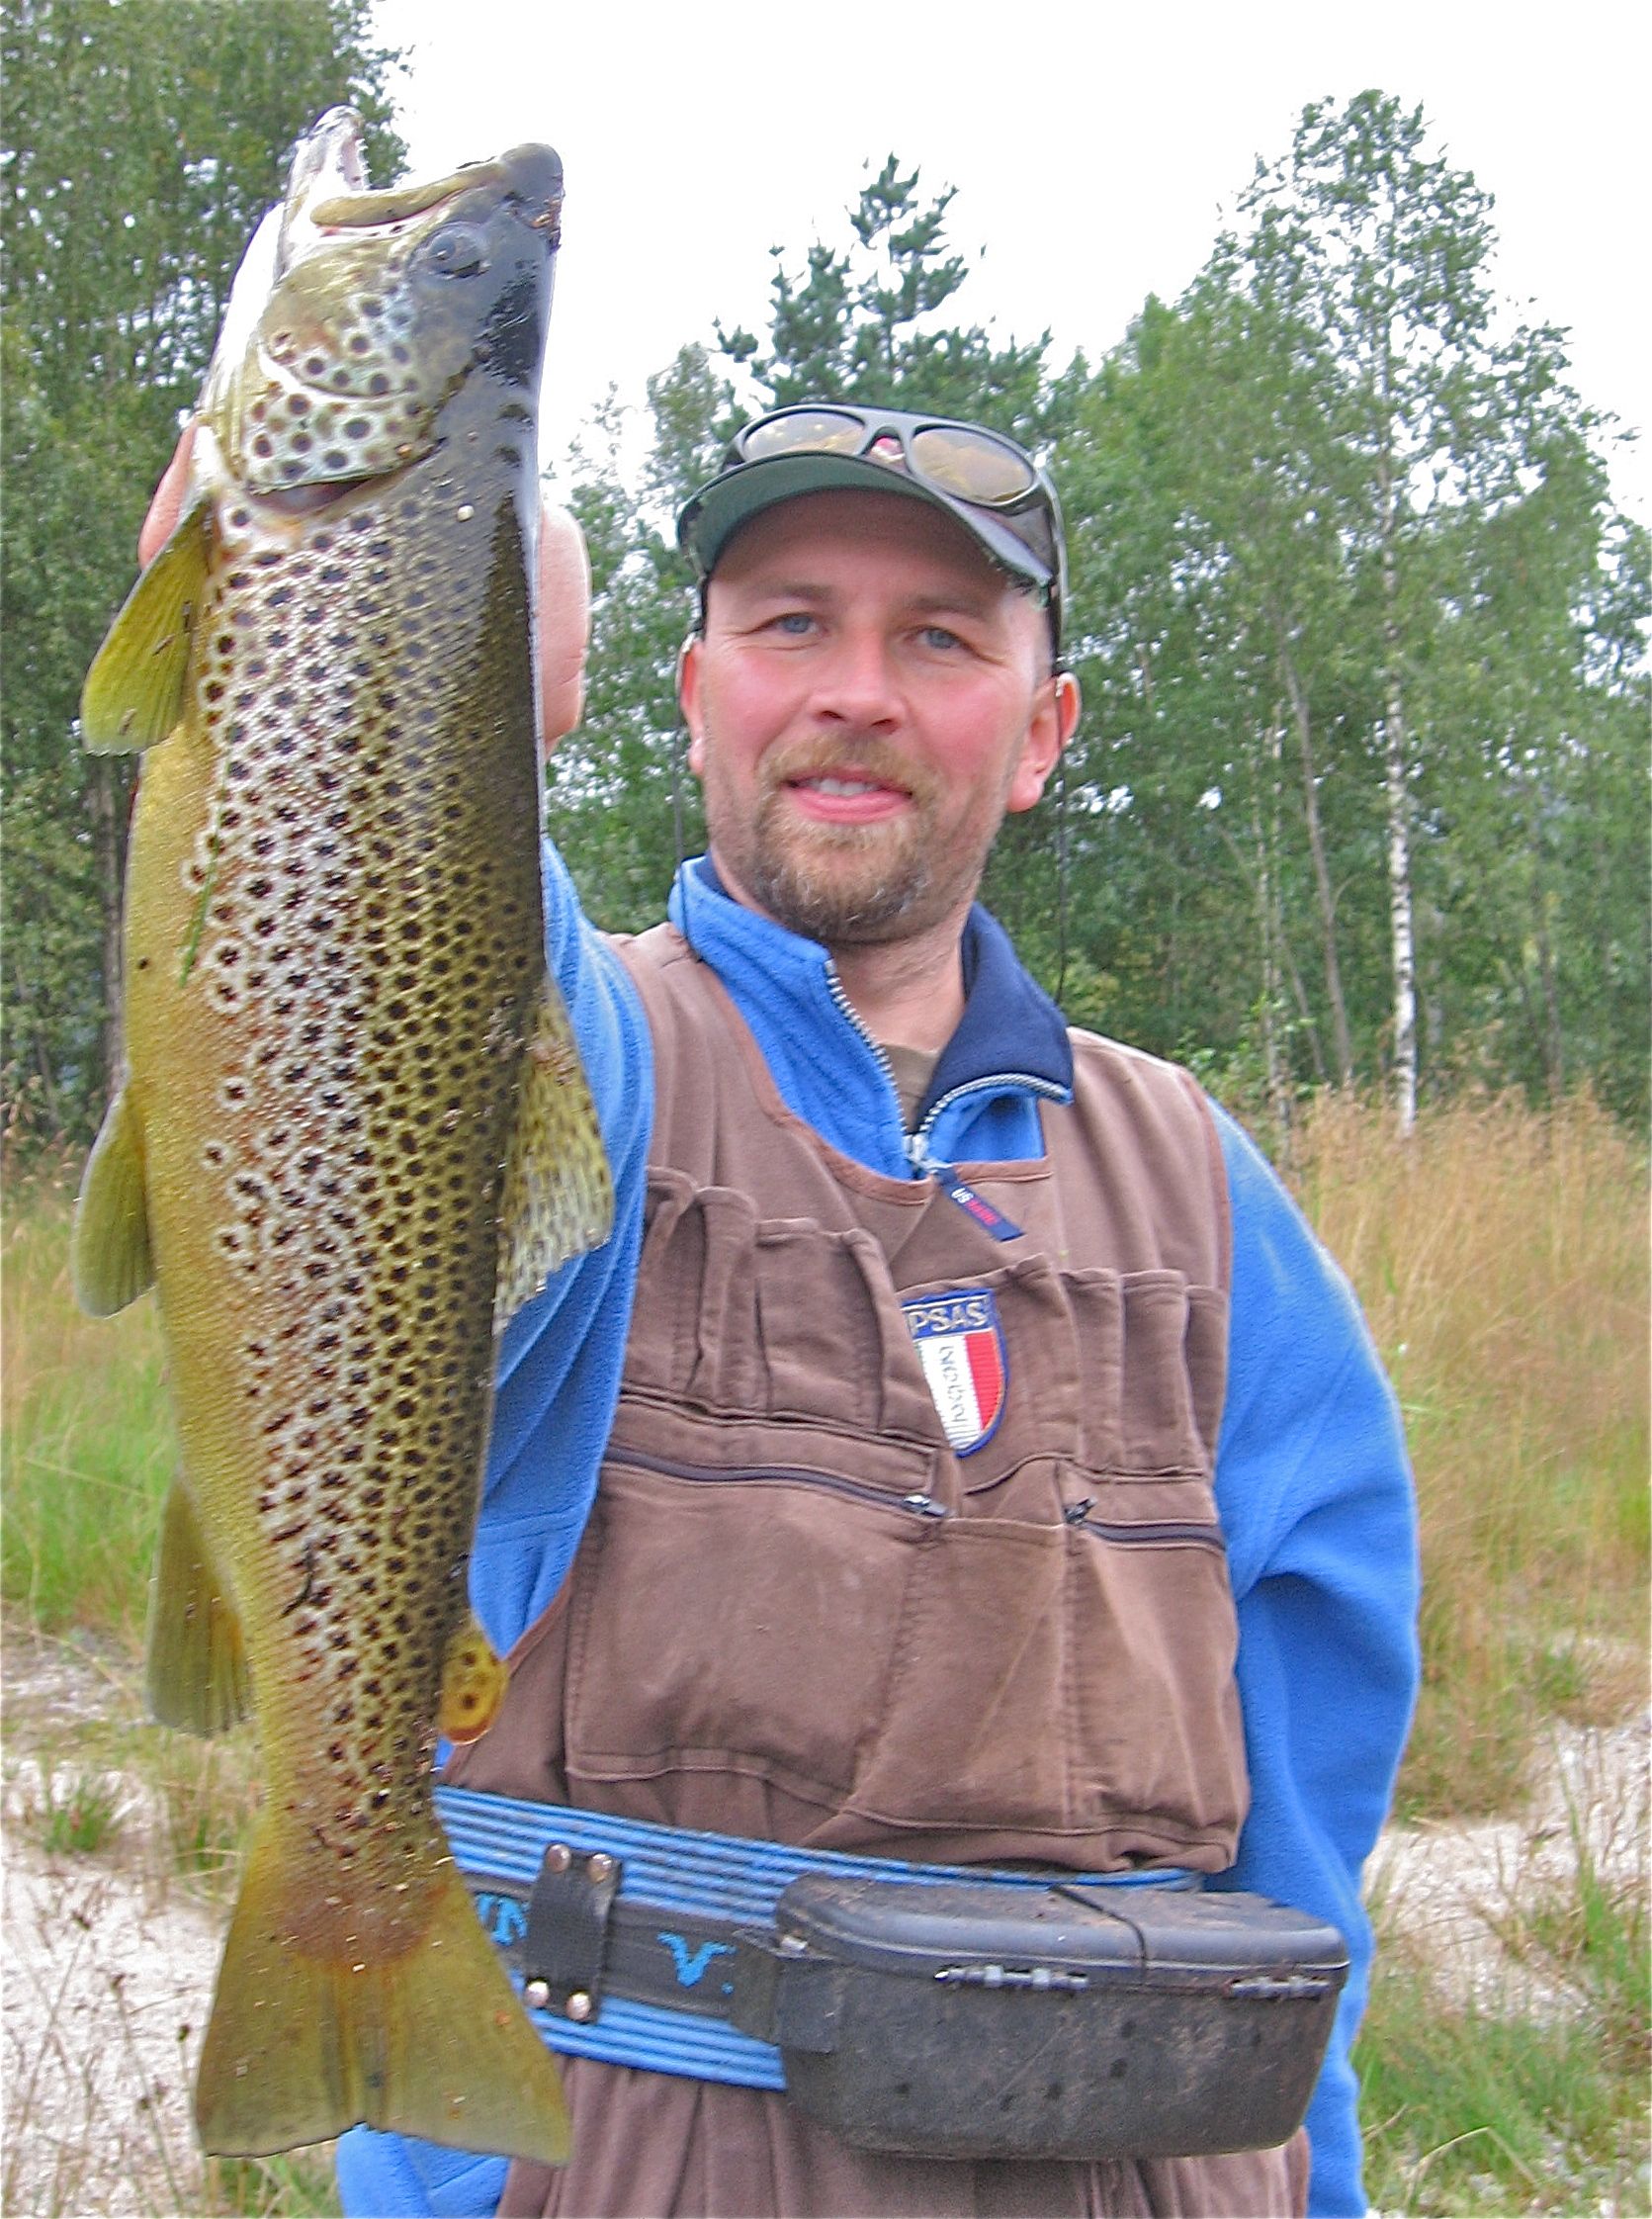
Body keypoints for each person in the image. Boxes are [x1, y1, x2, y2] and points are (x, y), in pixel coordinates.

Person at [144, 402, 1419, 2219]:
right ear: (692, 691)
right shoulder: (579, 1057)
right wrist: (400, 691)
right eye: (792, 622)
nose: (858, 693)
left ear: (1043, 733)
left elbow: (1306, 1874)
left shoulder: (1211, 1203)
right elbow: (366, 1052)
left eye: (942, 639)